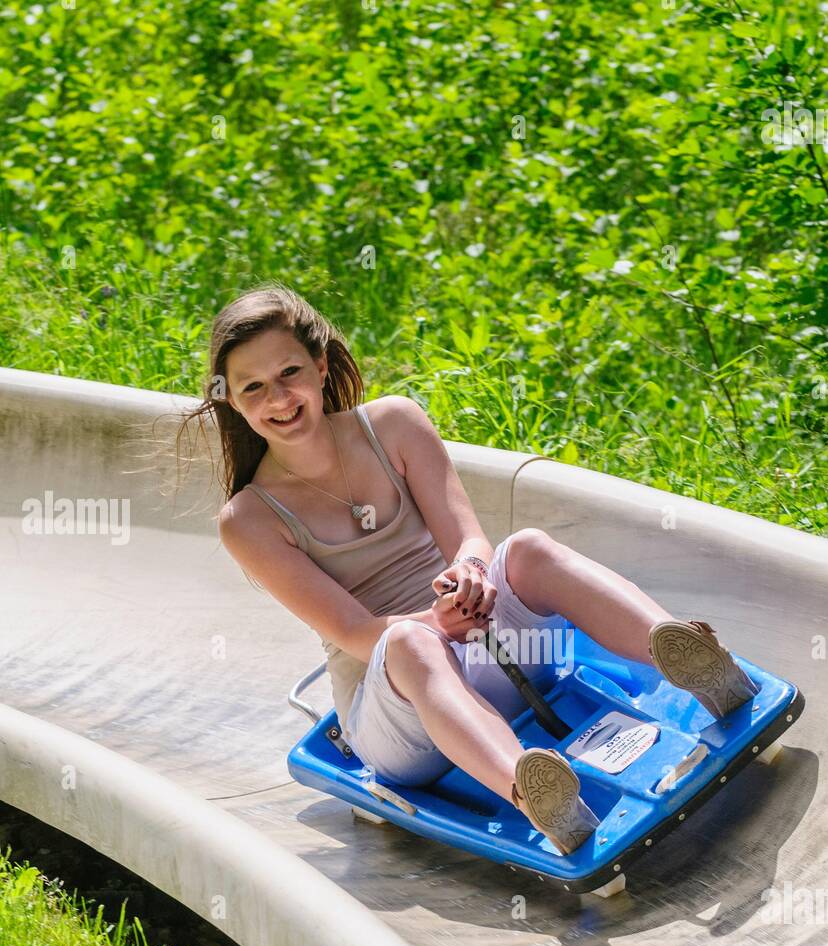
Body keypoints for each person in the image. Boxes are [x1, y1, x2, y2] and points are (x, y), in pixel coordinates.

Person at [189, 284, 757, 855]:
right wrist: (438, 623)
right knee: (411, 642)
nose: (279, 398)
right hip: (402, 720)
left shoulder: (394, 425)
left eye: (289, 372)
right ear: (233, 402)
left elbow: (467, 537)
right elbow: (356, 634)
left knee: (528, 549)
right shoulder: (250, 519)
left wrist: (472, 573)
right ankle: (536, 793)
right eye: (254, 387)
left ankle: (690, 658)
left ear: (320, 365)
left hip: (498, 655)